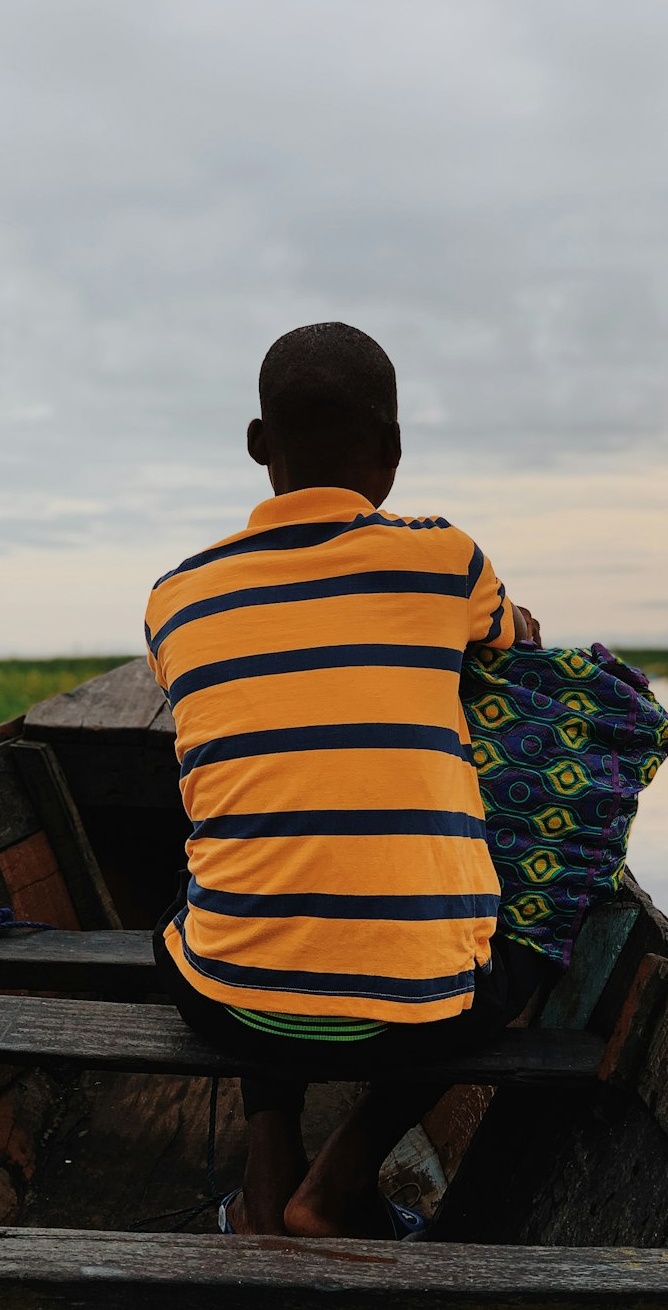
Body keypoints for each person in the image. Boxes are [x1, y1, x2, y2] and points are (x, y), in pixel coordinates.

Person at [144, 322, 552, 1238]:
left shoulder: (175, 596)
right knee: (540, 926)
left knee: (220, 877)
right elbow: (517, 638)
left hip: (228, 1008)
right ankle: (336, 1183)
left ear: (260, 446)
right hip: (424, 1020)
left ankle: (266, 1159)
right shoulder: (447, 557)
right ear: (394, 453)